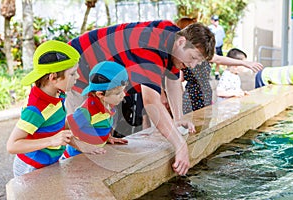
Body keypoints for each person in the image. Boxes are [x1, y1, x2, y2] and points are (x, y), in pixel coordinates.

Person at [66, 20, 216, 176]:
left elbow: (172, 80)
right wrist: (180, 146)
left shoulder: (173, 40)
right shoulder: (149, 46)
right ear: (181, 42)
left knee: (99, 132)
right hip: (80, 69)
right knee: (82, 135)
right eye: (192, 57)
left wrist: (177, 118)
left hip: (106, 81)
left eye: (197, 62)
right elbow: (151, 102)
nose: (192, 65)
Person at [6, 40, 80, 177]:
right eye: (73, 74)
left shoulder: (57, 94)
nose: (78, 77)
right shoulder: (35, 109)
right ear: (53, 78)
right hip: (31, 167)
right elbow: (12, 146)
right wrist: (52, 140)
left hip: (49, 163)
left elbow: (52, 125)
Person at [176, 17, 263, 114]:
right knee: (193, 124)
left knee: (205, 124)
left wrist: (244, 63)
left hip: (205, 95)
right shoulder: (181, 57)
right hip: (192, 96)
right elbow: (177, 80)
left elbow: (219, 59)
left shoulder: (202, 53)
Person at [63, 61, 129, 158]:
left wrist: (107, 138)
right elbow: (63, 129)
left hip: (95, 155)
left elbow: (99, 126)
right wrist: (84, 147)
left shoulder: (108, 105)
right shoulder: (86, 112)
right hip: (76, 157)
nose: (123, 95)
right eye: (118, 93)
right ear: (100, 94)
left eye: (123, 90)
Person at [209, 15, 226, 80]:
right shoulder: (210, 28)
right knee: (210, 61)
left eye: (217, 20)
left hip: (219, 46)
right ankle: (208, 74)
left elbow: (223, 36)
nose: (216, 22)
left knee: (218, 61)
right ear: (212, 21)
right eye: (215, 20)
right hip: (212, 47)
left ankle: (216, 73)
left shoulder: (220, 28)